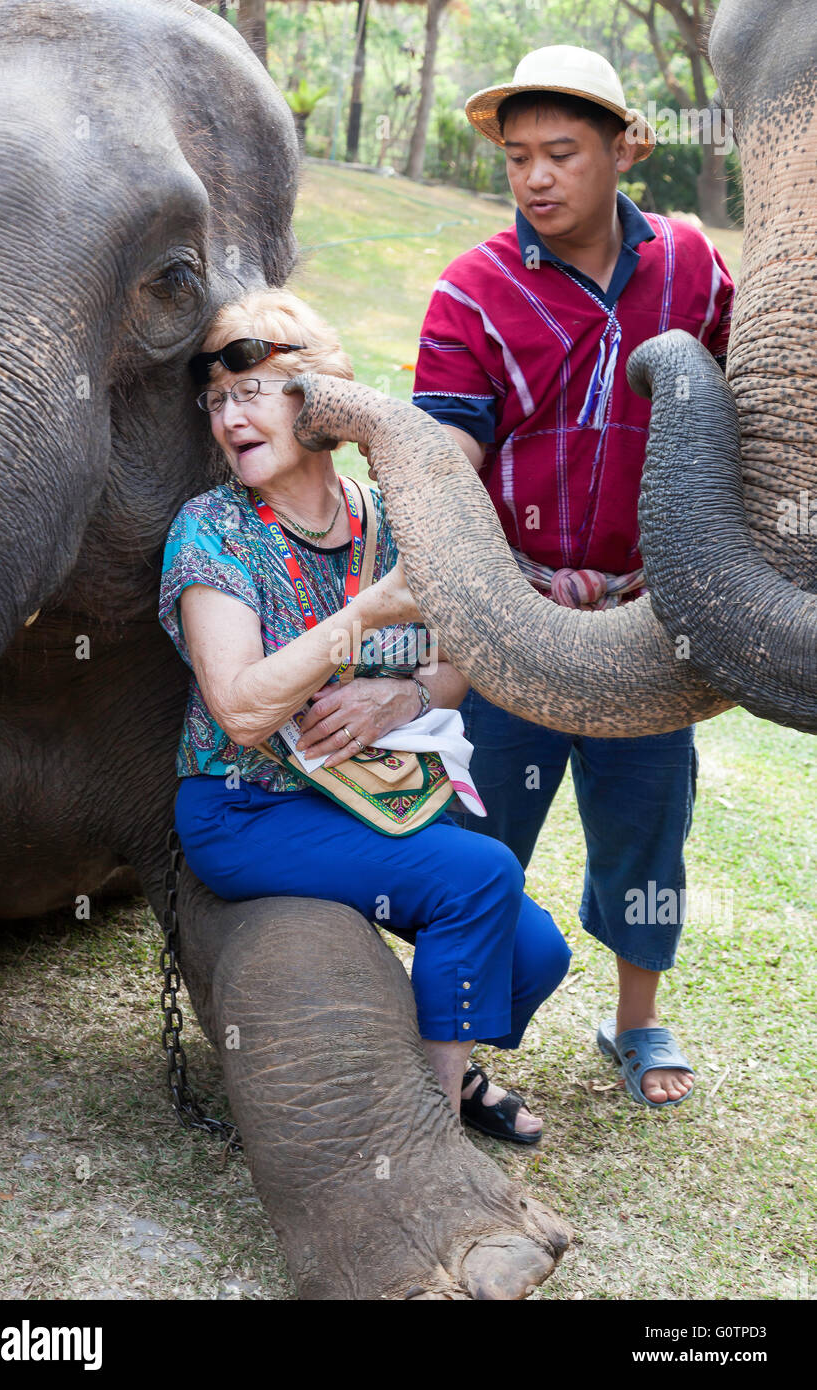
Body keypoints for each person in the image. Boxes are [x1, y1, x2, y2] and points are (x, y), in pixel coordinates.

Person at [158, 288, 571, 1144]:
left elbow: (461, 660)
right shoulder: (211, 532)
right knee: (481, 876)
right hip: (247, 807)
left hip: (374, 796)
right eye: (217, 400)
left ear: (319, 404)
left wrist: (409, 694)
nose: (229, 416)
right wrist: (362, 620)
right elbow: (238, 709)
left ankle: (439, 1066)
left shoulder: (391, 517)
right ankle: (424, 1131)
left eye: (252, 393)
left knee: (539, 955)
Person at [412, 46, 735, 1109]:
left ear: (622, 149)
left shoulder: (692, 271)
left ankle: (634, 1021)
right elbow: (444, 453)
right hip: (512, 615)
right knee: (479, 832)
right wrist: (478, 589)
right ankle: (457, 1042)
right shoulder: (471, 289)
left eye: (561, 153)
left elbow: (744, 412)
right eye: (516, 159)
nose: (536, 179)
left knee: (646, 822)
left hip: (651, 618)